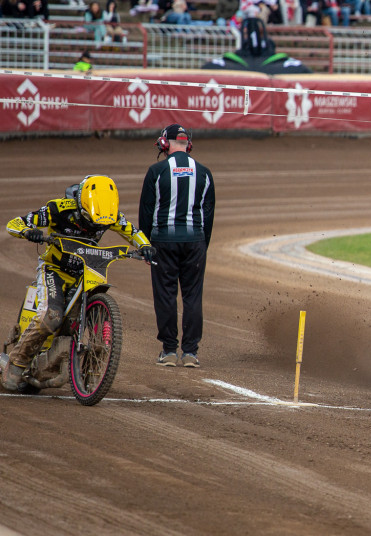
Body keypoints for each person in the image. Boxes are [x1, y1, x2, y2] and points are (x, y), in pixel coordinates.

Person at [2, 176, 154, 391]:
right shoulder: (58, 209)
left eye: (100, 224)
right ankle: (17, 363)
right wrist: (28, 231)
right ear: (82, 206)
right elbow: (14, 224)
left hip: (85, 272)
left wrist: (145, 246)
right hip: (54, 269)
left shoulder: (110, 216)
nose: (95, 226)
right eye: (91, 221)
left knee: (81, 318)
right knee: (51, 317)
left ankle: (90, 374)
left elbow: (133, 232)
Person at [138, 124, 215, 368]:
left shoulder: (156, 171)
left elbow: (146, 212)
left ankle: (169, 351)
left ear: (165, 143)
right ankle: (190, 353)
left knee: (165, 295)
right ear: (188, 144)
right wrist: (203, 245)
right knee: (193, 296)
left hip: (163, 242)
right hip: (195, 242)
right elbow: (208, 215)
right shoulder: (204, 173)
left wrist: (145, 245)